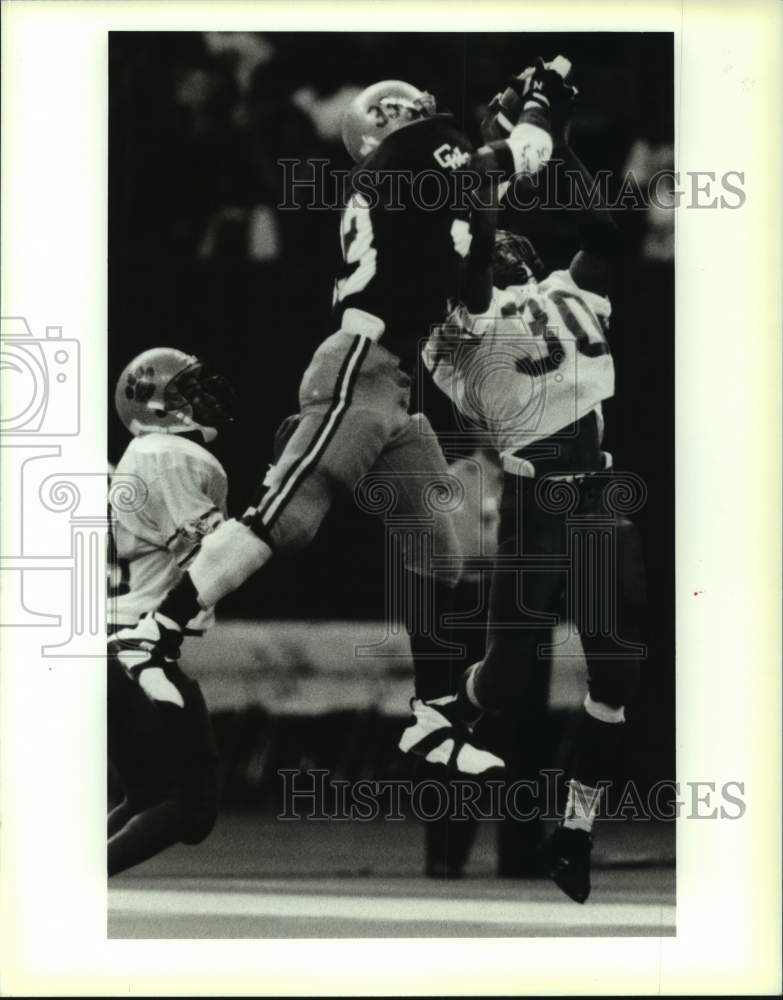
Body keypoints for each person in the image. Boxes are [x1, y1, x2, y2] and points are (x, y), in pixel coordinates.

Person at [110, 59, 577, 778]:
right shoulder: (416, 153)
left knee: (439, 553)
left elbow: (478, 249)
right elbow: (506, 162)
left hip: (395, 383)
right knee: (290, 517)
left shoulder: (420, 180)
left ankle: (431, 715)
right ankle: (155, 632)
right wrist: (537, 110)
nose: (426, 106)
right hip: (359, 364)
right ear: (390, 121)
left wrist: (508, 129)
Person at [423, 134, 647, 901]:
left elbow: (607, 231)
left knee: (617, 673)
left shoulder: (564, 287)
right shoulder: (457, 326)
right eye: (495, 247)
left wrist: (556, 155)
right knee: (510, 676)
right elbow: (473, 267)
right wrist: (495, 168)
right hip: (535, 502)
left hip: (599, 495)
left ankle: (575, 833)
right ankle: (446, 711)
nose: (512, 249)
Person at [107, 346, 235, 875]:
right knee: (180, 803)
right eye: (188, 389)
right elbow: (211, 554)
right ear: (156, 405)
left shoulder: (147, 455)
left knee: (172, 803)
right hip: (131, 653)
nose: (205, 397)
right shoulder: (169, 454)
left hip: (117, 647)